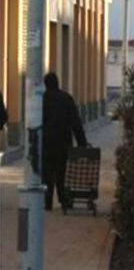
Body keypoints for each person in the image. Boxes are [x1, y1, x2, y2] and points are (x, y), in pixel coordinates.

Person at [42, 72, 88, 211]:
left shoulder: (42, 99)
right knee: (62, 172)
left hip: (47, 144)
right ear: (58, 83)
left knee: (47, 173)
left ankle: (48, 201)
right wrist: (82, 143)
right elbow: (76, 122)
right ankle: (63, 200)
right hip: (63, 142)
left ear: (46, 85)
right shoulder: (67, 99)